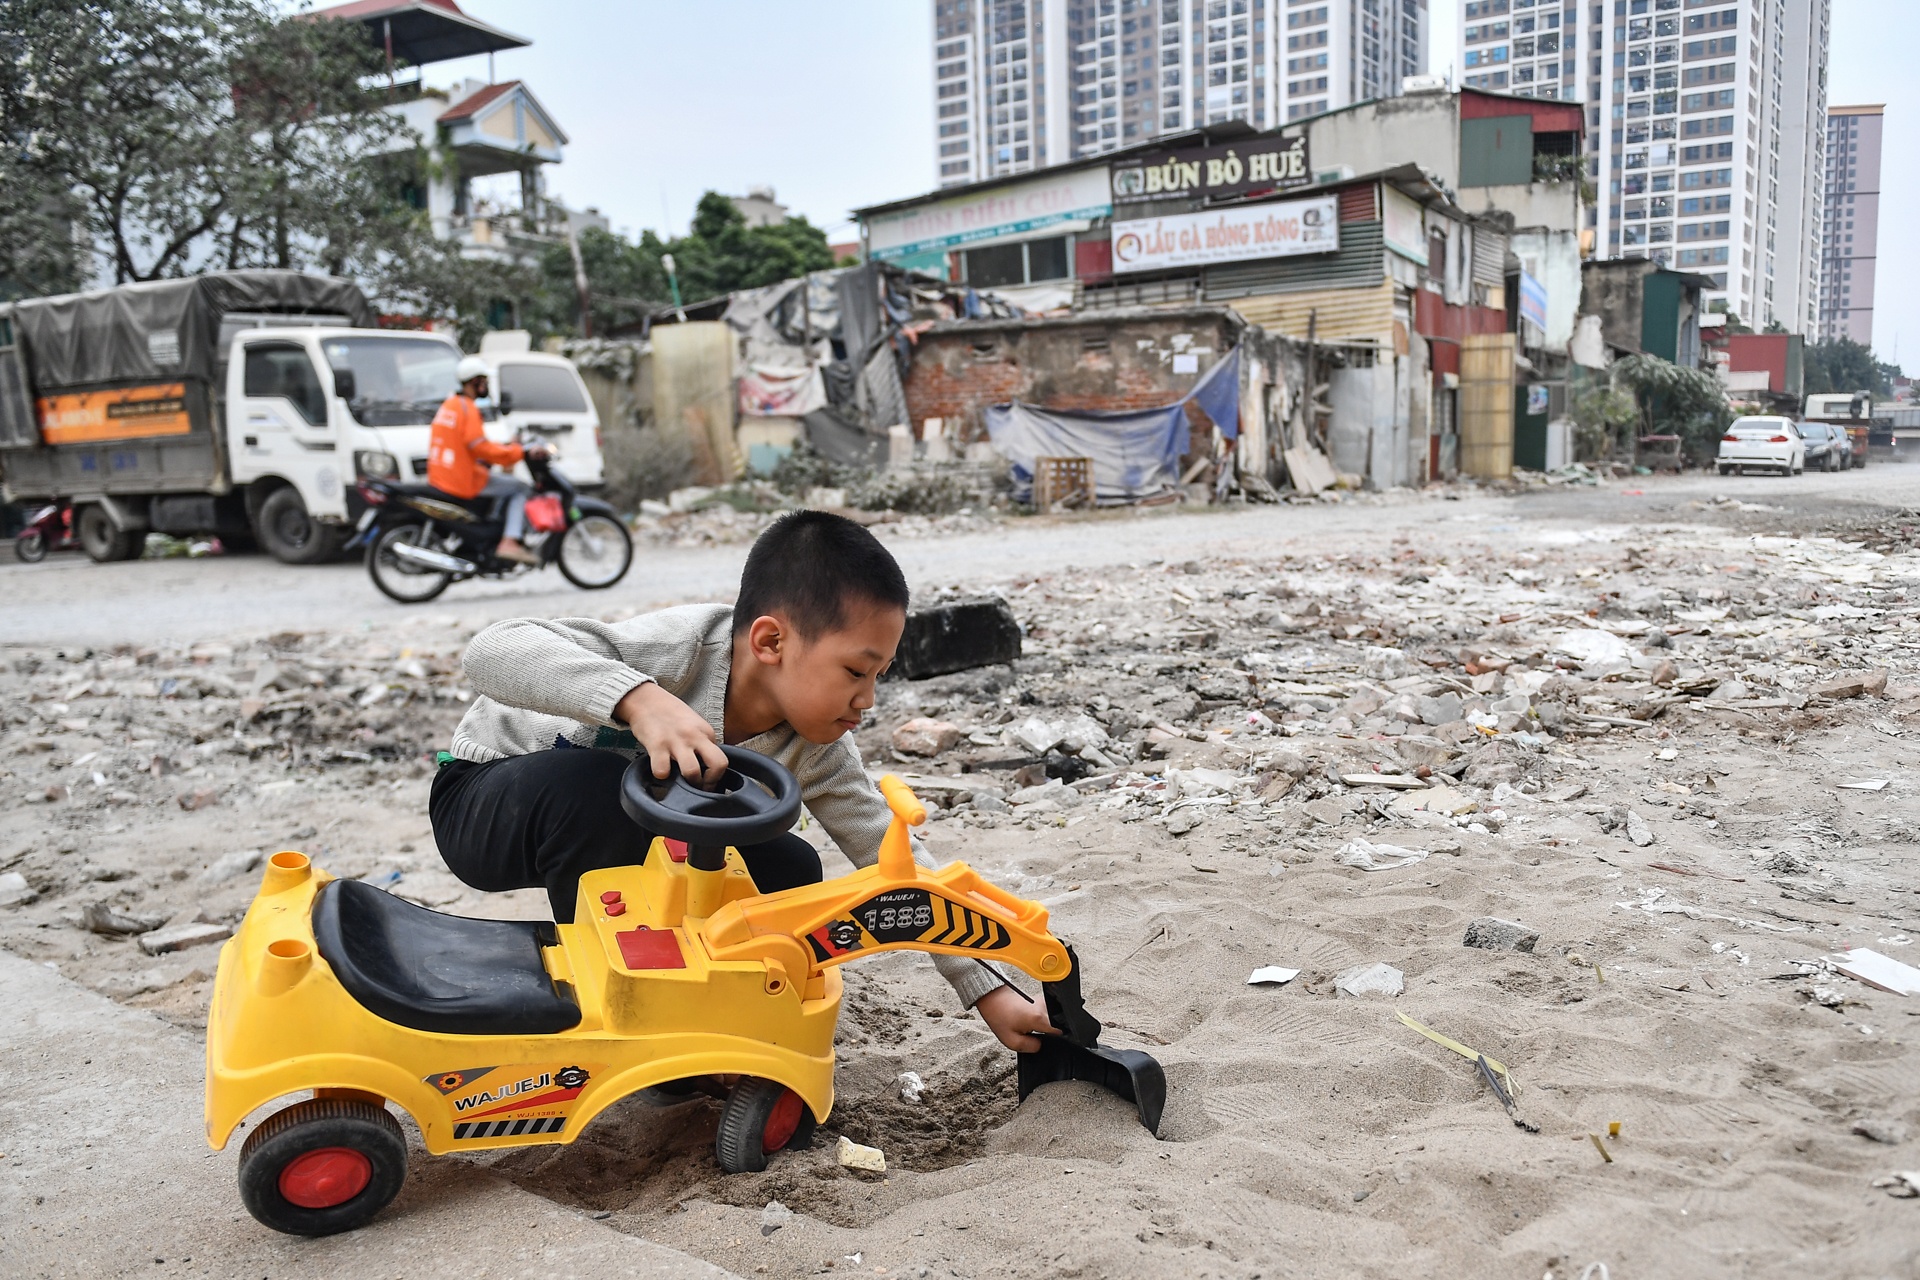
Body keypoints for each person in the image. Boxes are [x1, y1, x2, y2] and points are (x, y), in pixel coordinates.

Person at [429, 510, 1055, 1052]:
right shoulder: (676, 652)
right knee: (603, 788)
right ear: (771, 640)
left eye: (879, 677)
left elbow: (900, 868)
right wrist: (639, 701)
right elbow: (493, 650)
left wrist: (989, 992)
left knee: (788, 869)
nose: (866, 699)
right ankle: (624, 1006)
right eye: (854, 672)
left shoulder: (818, 747)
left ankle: (720, 1015)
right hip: (489, 804)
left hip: (633, 841)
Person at [428, 356, 543, 565]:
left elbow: (468, 443)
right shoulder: (468, 408)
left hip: (443, 474)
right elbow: (480, 448)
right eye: (484, 381)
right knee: (520, 488)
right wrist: (518, 452)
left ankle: (494, 532)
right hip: (462, 478)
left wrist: (504, 446)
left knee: (502, 484)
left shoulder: (450, 405)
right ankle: (509, 542)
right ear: (475, 382)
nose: (486, 386)